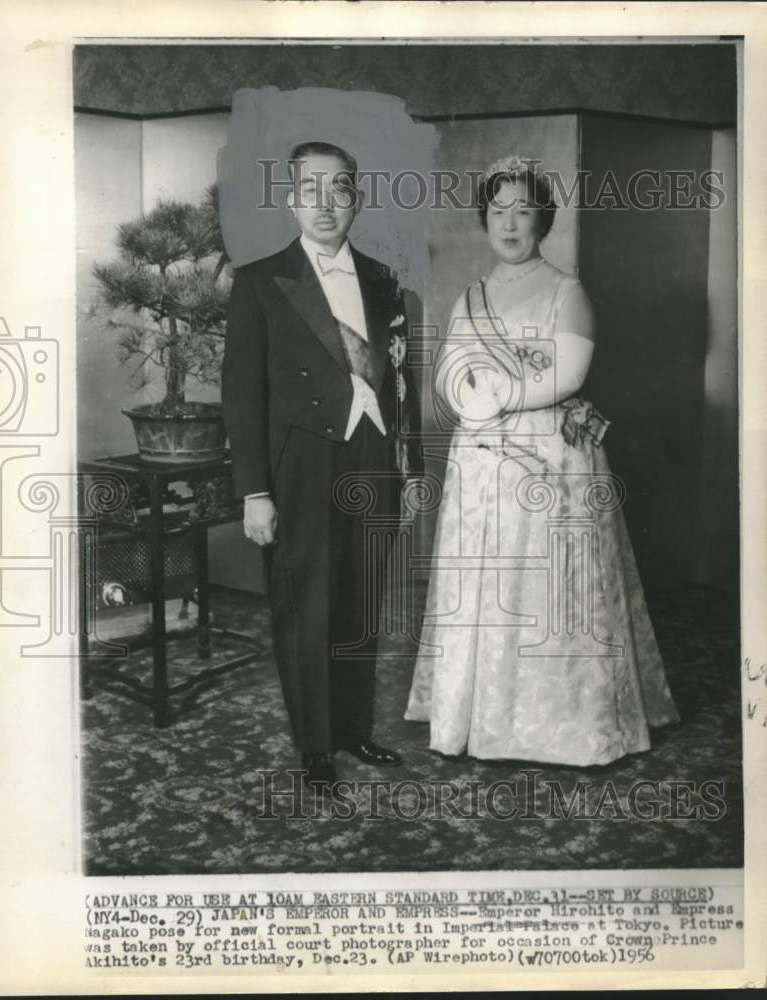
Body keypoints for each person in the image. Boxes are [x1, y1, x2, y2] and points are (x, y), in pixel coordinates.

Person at [405, 155, 679, 767]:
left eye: (522, 210)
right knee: (488, 581)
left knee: (546, 586)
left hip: (548, 458)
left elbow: (569, 373)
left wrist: (499, 394)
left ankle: (562, 725)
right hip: (480, 460)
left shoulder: (566, 291)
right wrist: (470, 398)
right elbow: (449, 373)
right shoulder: (469, 296)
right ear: (485, 219)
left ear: (542, 218)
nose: (509, 223)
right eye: (498, 211)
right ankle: (475, 717)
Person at [222, 140, 421, 795]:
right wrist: (254, 491)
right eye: (311, 189)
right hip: (300, 463)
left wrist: (410, 467)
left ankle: (353, 729)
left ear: (356, 198)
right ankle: (315, 748)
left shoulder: (384, 280)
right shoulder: (258, 280)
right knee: (305, 605)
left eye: (339, 189)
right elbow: (242, 395)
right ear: (290, 199)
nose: (325, 203)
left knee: (360, 600)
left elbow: (400, 386)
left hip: (372, 456)